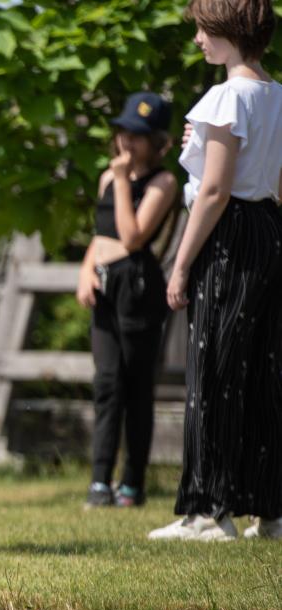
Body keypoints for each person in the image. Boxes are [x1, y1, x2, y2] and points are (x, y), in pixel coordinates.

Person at [150, 0, 282, 541]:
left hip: (229, 236)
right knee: (264, 370)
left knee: (214, 371)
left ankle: (208, 511)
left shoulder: (225, 96)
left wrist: (180, 266)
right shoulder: (276, 95)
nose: (198, 40)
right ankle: (269, 509)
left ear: (228, 30)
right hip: (269, 232)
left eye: (204, 30)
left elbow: (214, 190)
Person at [75, 92, 178, 509]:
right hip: (105, 283)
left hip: (137, 286)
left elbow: (133, 236)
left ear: (158, 142)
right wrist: (86, 271)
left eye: (138, 137)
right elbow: (101, 235)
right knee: (107, 383)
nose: (127, 144)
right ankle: (99, 480)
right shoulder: (106, 177)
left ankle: (132, 482)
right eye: (123, 134)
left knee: (136, 386)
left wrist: (122, 180)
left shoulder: (163, 183)